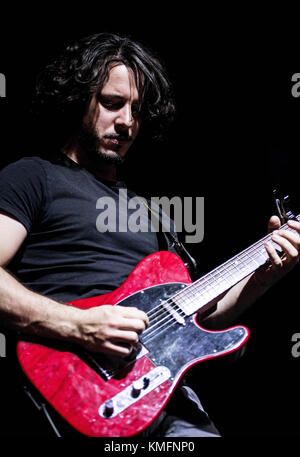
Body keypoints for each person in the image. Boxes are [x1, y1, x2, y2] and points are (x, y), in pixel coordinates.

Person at [0, 32, 299, 437]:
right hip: (73, 383)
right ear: (77, 100)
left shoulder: (151, 213)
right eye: (111, 103)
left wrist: (266, 271)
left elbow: (195, 316)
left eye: (137, 111)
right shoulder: (32, 176)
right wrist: (77, 325)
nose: (126, 122)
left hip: (163, 392)